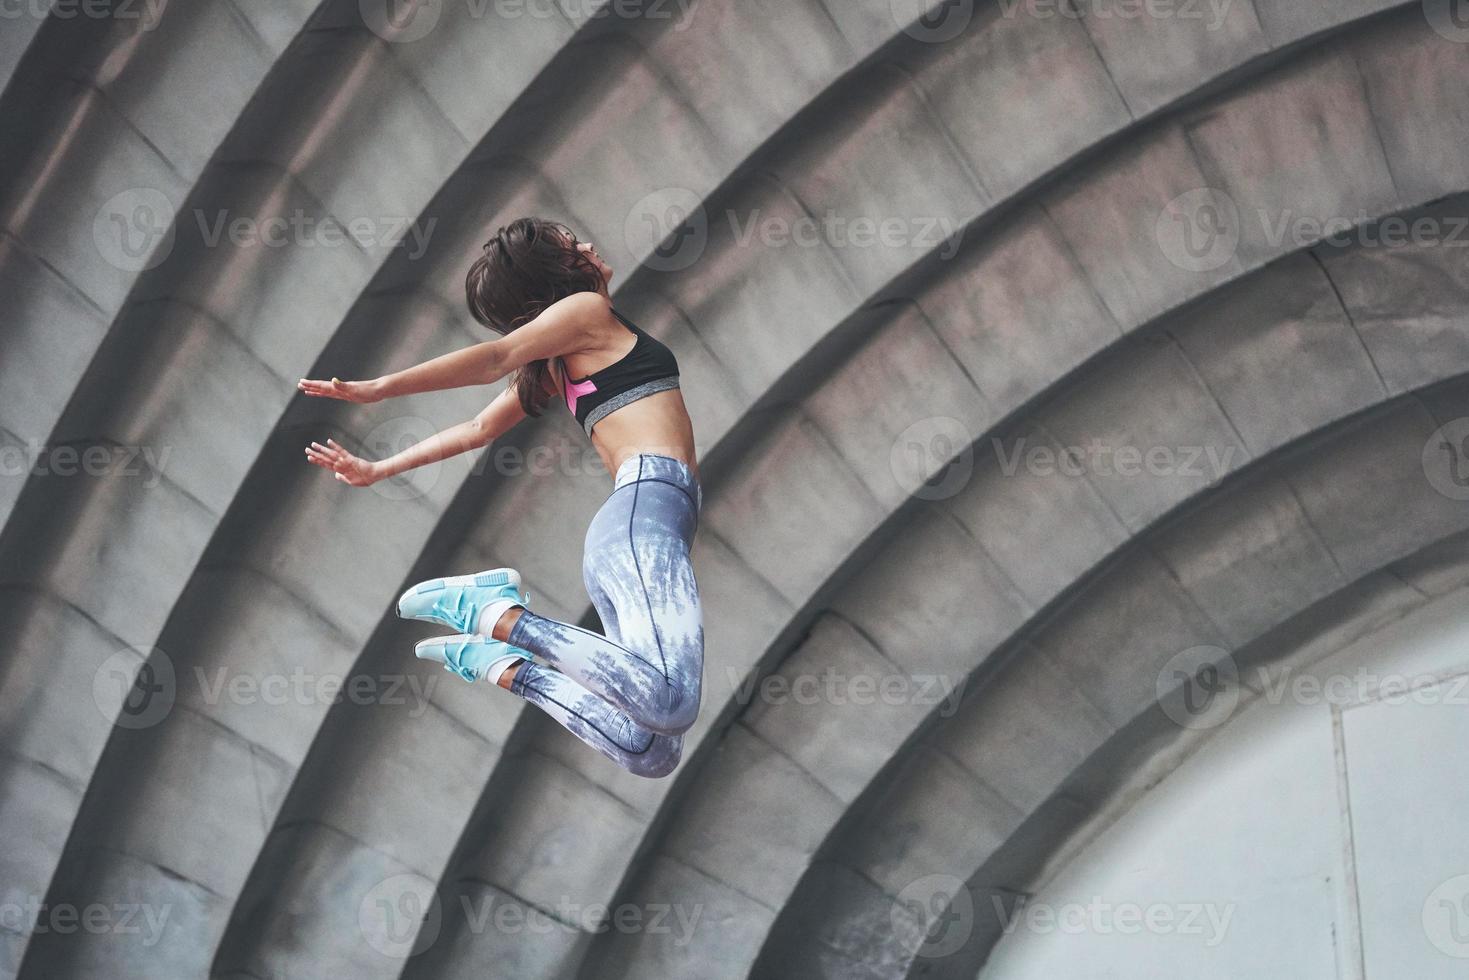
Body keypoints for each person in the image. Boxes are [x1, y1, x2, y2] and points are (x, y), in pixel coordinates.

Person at [299, 218, 702, 779]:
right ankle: (486, 613)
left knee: (650, 749)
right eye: (571, 248)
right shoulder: (589, 313)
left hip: (643, 533)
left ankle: (505, 665)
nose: (588, 245)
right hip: (642, 518)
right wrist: (380, 389)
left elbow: (475, 429)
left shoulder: (560, 364)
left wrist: (377, 467)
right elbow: (495, 358)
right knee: (670, 704)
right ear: (556, 281)